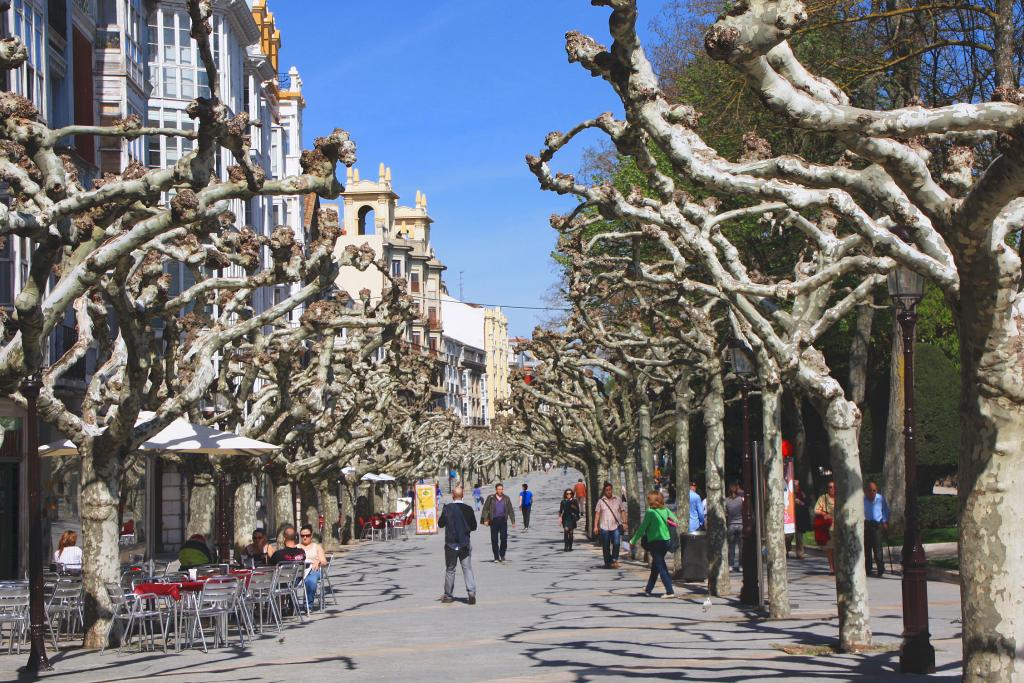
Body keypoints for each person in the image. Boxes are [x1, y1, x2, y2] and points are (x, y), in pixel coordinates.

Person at [630, 491, 678, 598]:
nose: (647, 501)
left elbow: (642, 528)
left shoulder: (650, 512)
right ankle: (648, 589)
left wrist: (633, 541)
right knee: (656, 567)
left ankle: (669, 591)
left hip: (655, 543)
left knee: (661, 567)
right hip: (666, 541)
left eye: (648, 499)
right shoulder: (666, 510)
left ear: (652, 501)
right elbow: (675, 520)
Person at [438, 485, 478, 604]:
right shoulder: (469, 509)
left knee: (450, 569)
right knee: (467, 569)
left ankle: (448, 595)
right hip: (464, 543)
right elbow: (474, 527)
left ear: (452, 495)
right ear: (463, 495)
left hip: (450, 544)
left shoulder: (447, 509)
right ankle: (471, 593)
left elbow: (440, 524)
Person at [594, 482, 627, 568]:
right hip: (604, 526)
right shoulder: (600, 501)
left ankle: (614, 559)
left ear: (612, 490)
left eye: (610, 490)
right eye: (607, 490)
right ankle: (607, 562)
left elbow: (623, 511)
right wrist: (595, 526)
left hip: (615, 526)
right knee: (605, 545)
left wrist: (625, 523)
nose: (609, 491)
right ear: (604, 491)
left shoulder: (618, 499)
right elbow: (597, 514)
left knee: (616, 543)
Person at [481, 482, 516, 563]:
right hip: (494, 521)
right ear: (496, 490)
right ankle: (496, 557)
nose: (501, 491)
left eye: (502, 489)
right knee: (494, 540)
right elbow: (485, 508)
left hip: (503, 521)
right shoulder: (491, 497)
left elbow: (510, 510)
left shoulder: (506, 498)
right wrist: (485, 520)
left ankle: (502, 555)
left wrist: (513, 521)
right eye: (499, 489)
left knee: (504, 539)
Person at [863, 481, 890, 576]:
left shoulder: (880, 498)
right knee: (867, 548)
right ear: (866, 491)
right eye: (870, 490)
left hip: (877, 525)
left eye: (874, 490)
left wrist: (885, 521)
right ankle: (868, 568)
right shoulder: (863, 499)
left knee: (877, 548)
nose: (872, 492)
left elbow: (886, 511)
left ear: (876, 490)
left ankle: (880, 568)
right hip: (866, 525)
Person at [298, 524, 326, 609]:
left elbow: (324, 561)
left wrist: (318, 562)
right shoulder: (297, 547)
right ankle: (290, 607)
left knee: (311, 581)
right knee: (287, 582)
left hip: (314, 569)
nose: (305, 537)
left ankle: (308, 605)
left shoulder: (317, 547)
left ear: (311, 535)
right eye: (302, 536)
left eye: (307, 535)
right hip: (299, 570)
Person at [814, 481, 837, 574]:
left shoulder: (840, 497)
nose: (831, 489)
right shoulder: (823, 498)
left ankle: (838, 567)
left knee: (838, 549)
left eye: (833, 487)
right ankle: (832, 568)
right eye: (829, 487)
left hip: (839, 528)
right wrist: (824, 514)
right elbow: (815, 510)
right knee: (830, 549)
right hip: (829, 528)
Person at [725, 482, 744, 572]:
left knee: (731, 546)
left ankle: (731, 565)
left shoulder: (726, 501)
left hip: (731, 525)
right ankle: (741, 565)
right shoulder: (741, 500)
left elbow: (725, 513)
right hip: (740, 524)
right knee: (741, 546)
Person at [792, 480, 811, 559]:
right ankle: (786, 550)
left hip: (799, 518)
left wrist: (800, 502)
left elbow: (807, 504)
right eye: (794, 485)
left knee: (799, 536)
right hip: (790, 518)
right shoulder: (789, 493)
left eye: (797, 485)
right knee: (788, 536)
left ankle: (800, 553)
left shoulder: (802, 494)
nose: (796, 487)